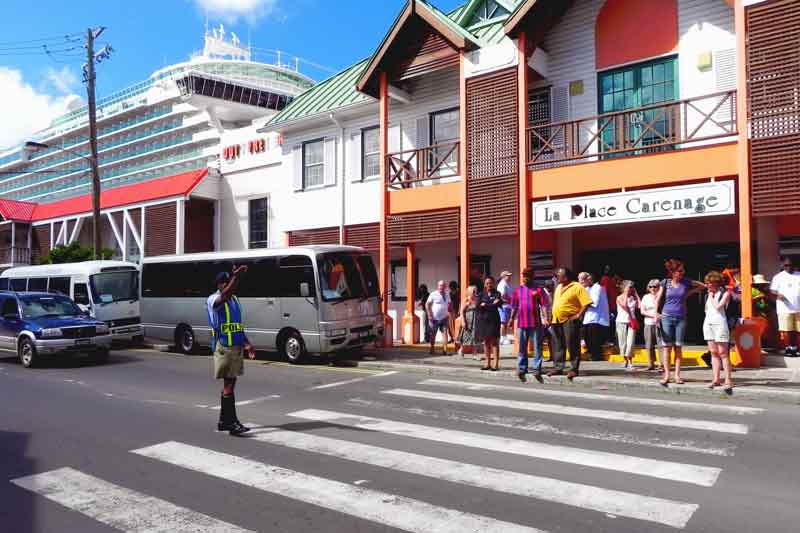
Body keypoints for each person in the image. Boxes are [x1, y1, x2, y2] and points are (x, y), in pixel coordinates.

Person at [207, 266, 257, 436]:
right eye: (226, 283)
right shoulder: (214, 299)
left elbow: (237, 324)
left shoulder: (234, 300)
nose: (229, 285)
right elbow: (224, 296)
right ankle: (232, 423)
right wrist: (236, 277)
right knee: (229, 385)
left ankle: (224, 421)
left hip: (235, 346)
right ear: (220, 284)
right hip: (224, 345)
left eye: (230, 282)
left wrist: (247, 343)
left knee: (231, 384)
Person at [656, 259, 705, 386]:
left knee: (678, 347)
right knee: (667, 347)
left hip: (681, 317)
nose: (682, 273)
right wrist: (656, 313)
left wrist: (689, 293)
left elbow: (702, 285)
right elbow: (658, 297)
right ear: (672, 272)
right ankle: (667, 374)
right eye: (680, 271)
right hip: (666, 316)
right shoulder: (665, 283)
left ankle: (677, 375)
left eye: (683, 270)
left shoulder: (686, 282)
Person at [548, 267, 592, 380]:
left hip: (569, 320)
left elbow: (586, 303)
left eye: (558, 275)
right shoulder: (558, 287)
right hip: (556, 320)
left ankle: (574, 369)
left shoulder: (577, 287)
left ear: (566, 277)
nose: (556, 277)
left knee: (572, 344)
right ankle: (558, 367)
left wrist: (578, 315)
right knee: (558, 344)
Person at [510, 268, 550, 383]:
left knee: (537, 347)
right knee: (522, 347)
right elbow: (514, 307)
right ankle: (522, 368)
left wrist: (546, 318)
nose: (525, 278)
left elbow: (544, 305)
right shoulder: (518, 290)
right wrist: (511, 319)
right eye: (524, 276)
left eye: (527, 276)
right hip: (522, 323)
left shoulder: (538, 290)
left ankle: (537, 368)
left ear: (532, 276)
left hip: (536, 323)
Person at [703, 271, 734, 391]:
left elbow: (718, 306)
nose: (707, 285)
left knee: (723, 353)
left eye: (709, 283)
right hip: (708, 324)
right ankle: (716, 379)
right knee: (713, 352)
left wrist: (711, 296)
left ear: (716, 283)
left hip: (720, 324)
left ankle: (728, 380)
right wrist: (709, 296)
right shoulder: (707, 295)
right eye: (707, 283)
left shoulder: (725, 293)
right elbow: (707, 310)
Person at [769, 257, 800, 356]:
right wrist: (778, 295)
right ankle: (789, 348)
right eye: (786, 265)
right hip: (784, 308)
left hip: (798, 308)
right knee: (787, 330)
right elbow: (772, 290)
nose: (788, 267)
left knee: (797, 330)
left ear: (794, 265)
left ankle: (795, 347)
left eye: (790, 265)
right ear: (782, 265)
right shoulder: (778, 277)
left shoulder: (798, 275)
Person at [580, 272, 609, 362]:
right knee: (586, 336)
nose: (583, 281)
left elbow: (593, 303)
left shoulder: (598, 288)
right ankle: (592, 354)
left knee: (594, 338)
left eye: (585, 279)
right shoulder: (588, 288)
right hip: (589, 317)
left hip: (597, 318)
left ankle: (596, 355)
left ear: (591, 280)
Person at [476, 277, 503, 371]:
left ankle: (495, 363)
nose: (489, 285)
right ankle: (487, 363)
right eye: (487, 283)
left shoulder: (497, 293)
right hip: (484, 321)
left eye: (490, 283)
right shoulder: (480, 294)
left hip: (494, 320)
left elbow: (497, 304)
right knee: (486, 342)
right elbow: (478, 306)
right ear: (484, 284)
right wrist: (491, 304)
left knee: (494, 342)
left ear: (493, 284)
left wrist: (486, 304)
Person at [615, 280, 641, 371]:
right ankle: (625, 360)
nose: (630, 289)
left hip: (631, 321)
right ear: (624, 288)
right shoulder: (619, 297)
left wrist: (636, 293)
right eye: (629, 287)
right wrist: (625, 293)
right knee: (623, 342)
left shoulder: (633, 298)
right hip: (621, 321)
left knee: (630, 342)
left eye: (631, 287)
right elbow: (624, 305)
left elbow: (640, 306)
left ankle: (630, 361)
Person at [640, 279, 663, 371]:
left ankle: (662, 364)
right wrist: (653, 315)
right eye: (650, 286)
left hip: (660, 322)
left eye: (655, 286)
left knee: (661, 344)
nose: (653, 288)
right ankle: (651, 364)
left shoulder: (661, 296)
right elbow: (642, 311)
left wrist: (660, 316)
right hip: (648, 322)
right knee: (649, 344)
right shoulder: (646, 297)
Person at [425, 280, 451, 355]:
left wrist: (450, 312)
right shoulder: (433, 294)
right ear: (438, 286)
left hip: (444, 317)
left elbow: (449, 304)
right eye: (440, 285)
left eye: (443, 286)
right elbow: (427, 305)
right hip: (434, 318)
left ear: (445, 287)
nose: (441, 287)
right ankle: (432, 348)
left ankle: (445, 350)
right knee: (433, 334)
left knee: (445, 333)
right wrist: (429, 315)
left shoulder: (447, 294)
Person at [457, 286, 478, 358]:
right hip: (467, 320)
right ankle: (461, 350)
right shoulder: (466, 300)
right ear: (470, 292)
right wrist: (463, 321)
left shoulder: (476, 300)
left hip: (475, 321)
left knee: (474, 336)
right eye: (473, 291)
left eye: (475, 291)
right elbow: (461, 312)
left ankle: (474, 354)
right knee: (465, 336)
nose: (475, 293)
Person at [496, 271, 514, 345]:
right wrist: (510, 300)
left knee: (506, 322)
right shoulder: (502, 284)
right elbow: (502, 296)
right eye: (507, 275)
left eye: (509, 275)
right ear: (503, 276)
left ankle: (505, 336)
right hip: (504, 306)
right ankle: (502, 338)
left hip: (507, 306)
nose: (509, 277)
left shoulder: (507, 284)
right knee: (503, 322)